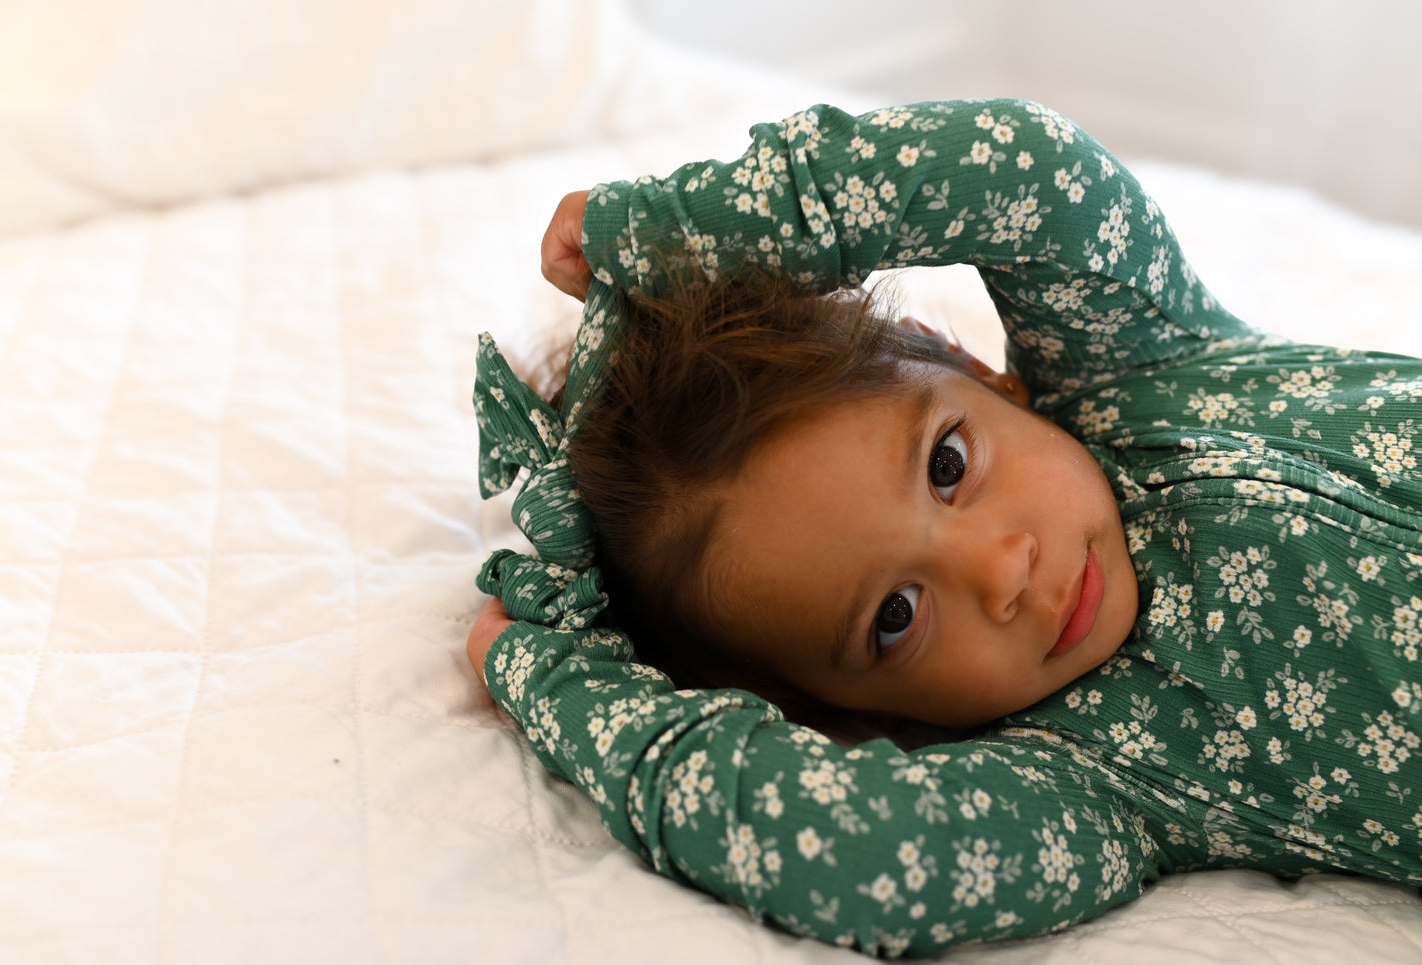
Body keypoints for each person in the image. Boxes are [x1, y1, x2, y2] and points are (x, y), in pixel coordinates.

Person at [467, 98, 1422, 957]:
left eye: (948, 465)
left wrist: (688, 229)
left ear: (970, 364)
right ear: (859, 716)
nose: (1003, 570)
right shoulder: (1094, 775)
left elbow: (1025, 168)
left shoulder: (1137, 361)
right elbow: (847, 848)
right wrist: (559, 679)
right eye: (894, 616)